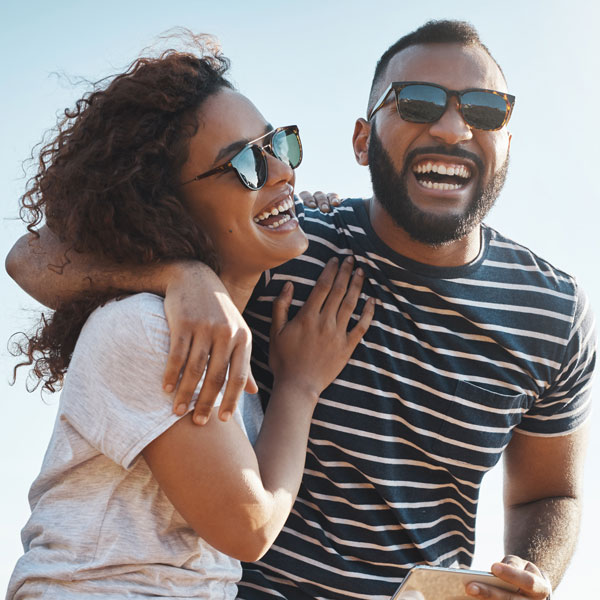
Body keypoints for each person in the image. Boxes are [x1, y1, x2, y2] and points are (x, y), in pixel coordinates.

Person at [6, 20, 594, 600]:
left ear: (509, 139)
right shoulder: (272, 248)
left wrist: (528, 573)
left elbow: (551, 494)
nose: (452, 128)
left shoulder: (555, 312)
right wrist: (179, 274)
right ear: (363, 141)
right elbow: (34, 256)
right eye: (417, 103)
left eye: (486, 110)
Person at [4, 36, 375, 599]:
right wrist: (299, 386)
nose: (280, 171)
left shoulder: (214, 333)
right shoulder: (147, 329)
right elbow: (249, 527)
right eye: (246, 163)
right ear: (167, 204)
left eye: (280, 145)